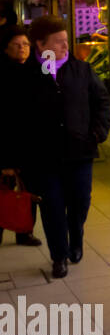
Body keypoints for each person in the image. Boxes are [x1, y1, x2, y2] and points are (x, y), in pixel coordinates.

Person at [20, 16, 110, 278]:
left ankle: (76, 238)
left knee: (80, 202)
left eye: (66, 41)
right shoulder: (26, 77)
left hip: (80, 152)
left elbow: (102, 102)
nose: (65, 46)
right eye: (58, 42)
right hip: (43, 157)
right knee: (52, 207)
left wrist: (97, 132)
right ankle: (58, 256)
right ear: (40, 44)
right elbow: (15, 116)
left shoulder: (81, 70)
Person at [0, 25, 42, 248]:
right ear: (6, 48)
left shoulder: (34, 70)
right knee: (4, 192)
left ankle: (25, 232)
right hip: (7, 145)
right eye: (16, 45)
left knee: (29, 192)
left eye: (26, 44)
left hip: (30, 146)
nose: (22, 49)